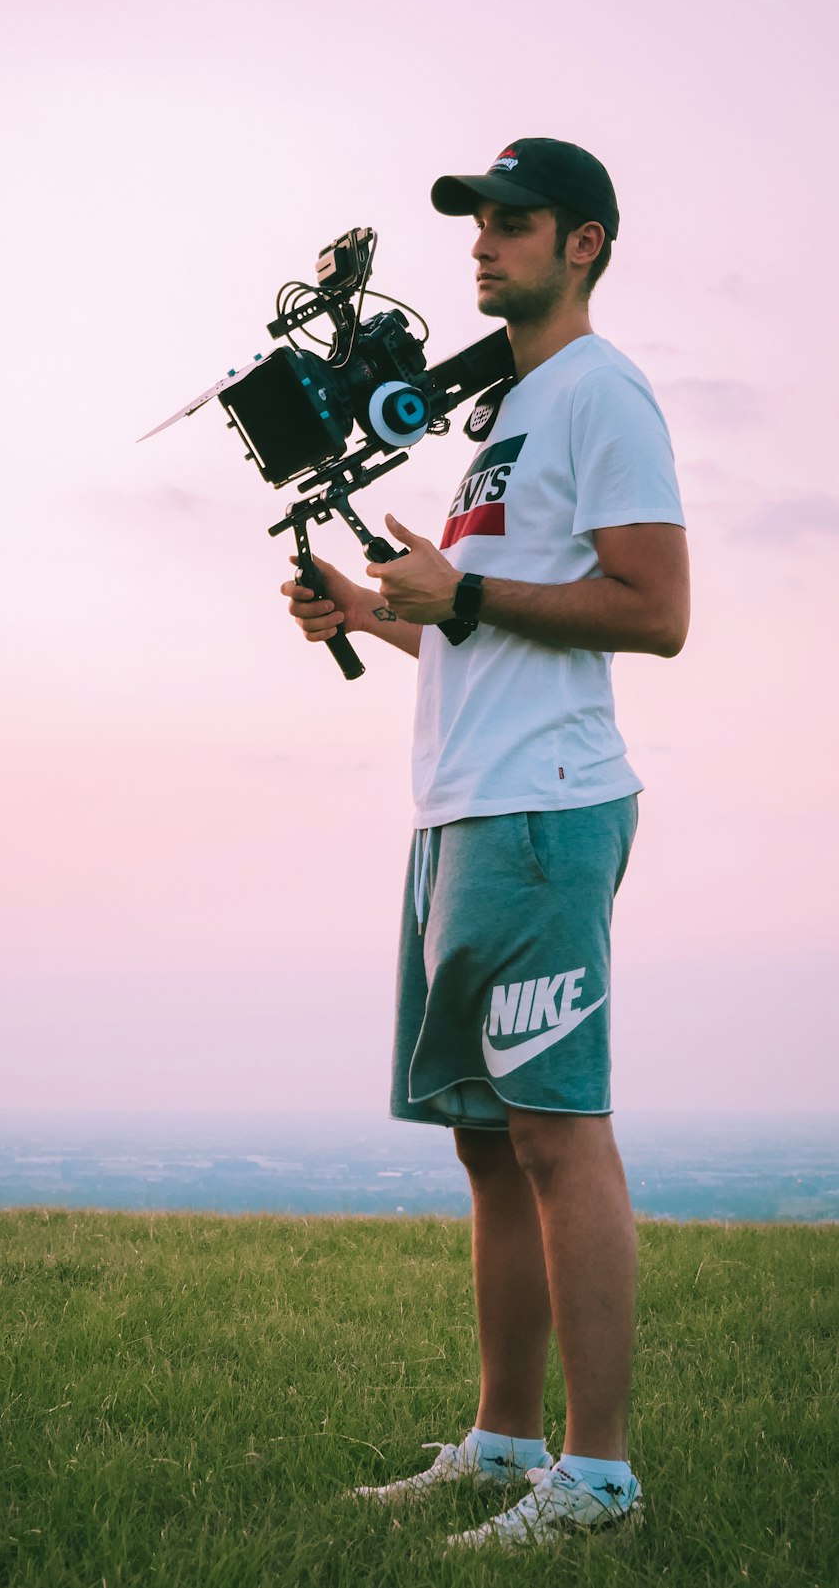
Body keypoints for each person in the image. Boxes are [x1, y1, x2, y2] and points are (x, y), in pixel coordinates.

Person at [281, 137, 689, 1550]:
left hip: (545, 804)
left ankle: (600, 1477)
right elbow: (474, 620)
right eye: (476, 223)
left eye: (515, 223)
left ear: (584, 243)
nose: (483, 244)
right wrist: (371, 608)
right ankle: (504, 1438)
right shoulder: (506, 415)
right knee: (488, 1141)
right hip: (460, 805)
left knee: (559, 1130)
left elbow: (656, 608)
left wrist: (466, 590)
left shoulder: (601, 392)